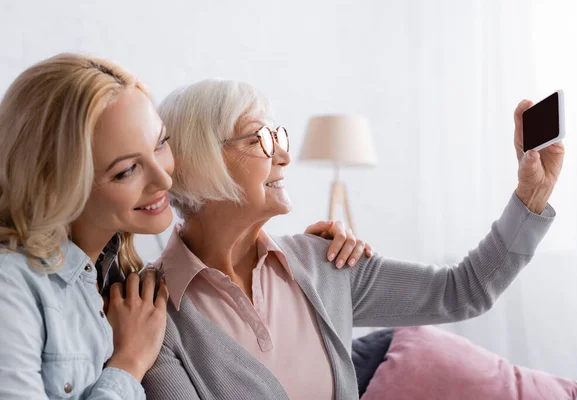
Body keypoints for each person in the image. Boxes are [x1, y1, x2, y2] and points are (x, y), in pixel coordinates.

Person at [142, 79, 564, 400]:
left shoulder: (324, 262)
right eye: (262, 139)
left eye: (280, 137)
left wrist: (532, 197)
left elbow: (462, 291)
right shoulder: (148, 311)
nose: (285, 157)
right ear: (202, 159)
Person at [0, 55, 366, 399]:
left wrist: (329, 258)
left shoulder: (122, 281)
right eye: (127, 170)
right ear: (56, 185)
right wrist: (128, 363)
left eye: (160, 144)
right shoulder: (12, 287)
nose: (163, 178)